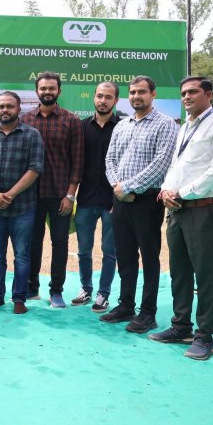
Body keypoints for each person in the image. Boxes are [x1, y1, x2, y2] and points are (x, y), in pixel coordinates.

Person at [100, 75, 177, 333]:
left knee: (149, 257)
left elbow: (161, 164)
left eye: (142, 92)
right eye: (133, 92)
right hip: (120, 198)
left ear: (153, 94)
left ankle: (148, 313)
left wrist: (129, 187)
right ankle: (126, 305)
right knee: (125, 255)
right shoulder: (121, 125)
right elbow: (110, 159)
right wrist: (117, 187)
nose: (136, 96)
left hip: (147, 200)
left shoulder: (166, 125)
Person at [151, 76, 213, 360]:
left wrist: (182, 193)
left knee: (206, 274)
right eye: (183, 93)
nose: (186, 97)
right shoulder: (184, 126)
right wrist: (165, 191)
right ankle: (180, 327)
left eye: (192, 92)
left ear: (208, 95)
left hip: (202, 208)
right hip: (177, 209)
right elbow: (175, 165)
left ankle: (204, 336)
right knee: (179, 272)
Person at [0, 91, 44, 314]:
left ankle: (19, 298)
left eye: (9, 106)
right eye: (1, 106)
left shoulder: (32, 135)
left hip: (23, 208)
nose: (5, 110)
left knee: (22, 255)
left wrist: (11, 194)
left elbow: (35, 168)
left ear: (18, 108)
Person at [21, 71, 83, 308]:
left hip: (60, 196)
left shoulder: (71, 121)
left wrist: (70, 195)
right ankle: (31, 288)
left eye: (52, 88)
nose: (47, 92)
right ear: (37, 91)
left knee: (60, 244)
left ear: (59, 91)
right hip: (31, 196)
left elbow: (77, 162)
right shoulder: (26, 120)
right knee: (32, 243)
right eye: (43, 88)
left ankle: (56, 291)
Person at [71, 82, 120, 312]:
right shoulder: (80, 127)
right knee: (84, 250)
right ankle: (86, 289)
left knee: (110, 251)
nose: (103, 100)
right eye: (99, 96)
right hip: (86, 200)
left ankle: (103, 294)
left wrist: (119, 199)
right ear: (93, 98)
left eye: (108, 97)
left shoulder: (123, 127)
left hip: (113, 202)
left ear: (116, 101)